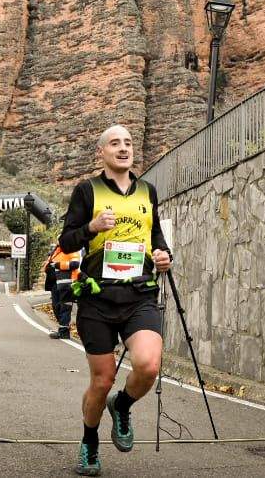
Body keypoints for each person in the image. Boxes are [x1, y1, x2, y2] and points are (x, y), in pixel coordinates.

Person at [57, 124, 171, 477]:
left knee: (149, 365)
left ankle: (121, 406)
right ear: (102, 153)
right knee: (102, 379)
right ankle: (89, 440)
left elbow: (157, 238)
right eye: (115, 143)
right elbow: (67, 241)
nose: (123, 148)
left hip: (139, 295)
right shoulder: (87, 190)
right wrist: (91, 227)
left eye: (128, 143)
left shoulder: (147, 191)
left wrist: (164, 255)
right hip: (97, 299)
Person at [44, 244, 82, 340]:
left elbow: (75, 264)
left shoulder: (72, 249)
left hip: (67, 284)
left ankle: (64, 332)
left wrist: (57, 265)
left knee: (65, 307)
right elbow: (49, 264)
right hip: (55, 284)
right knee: (56, 306)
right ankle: (62, 329)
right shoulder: (56, 251)